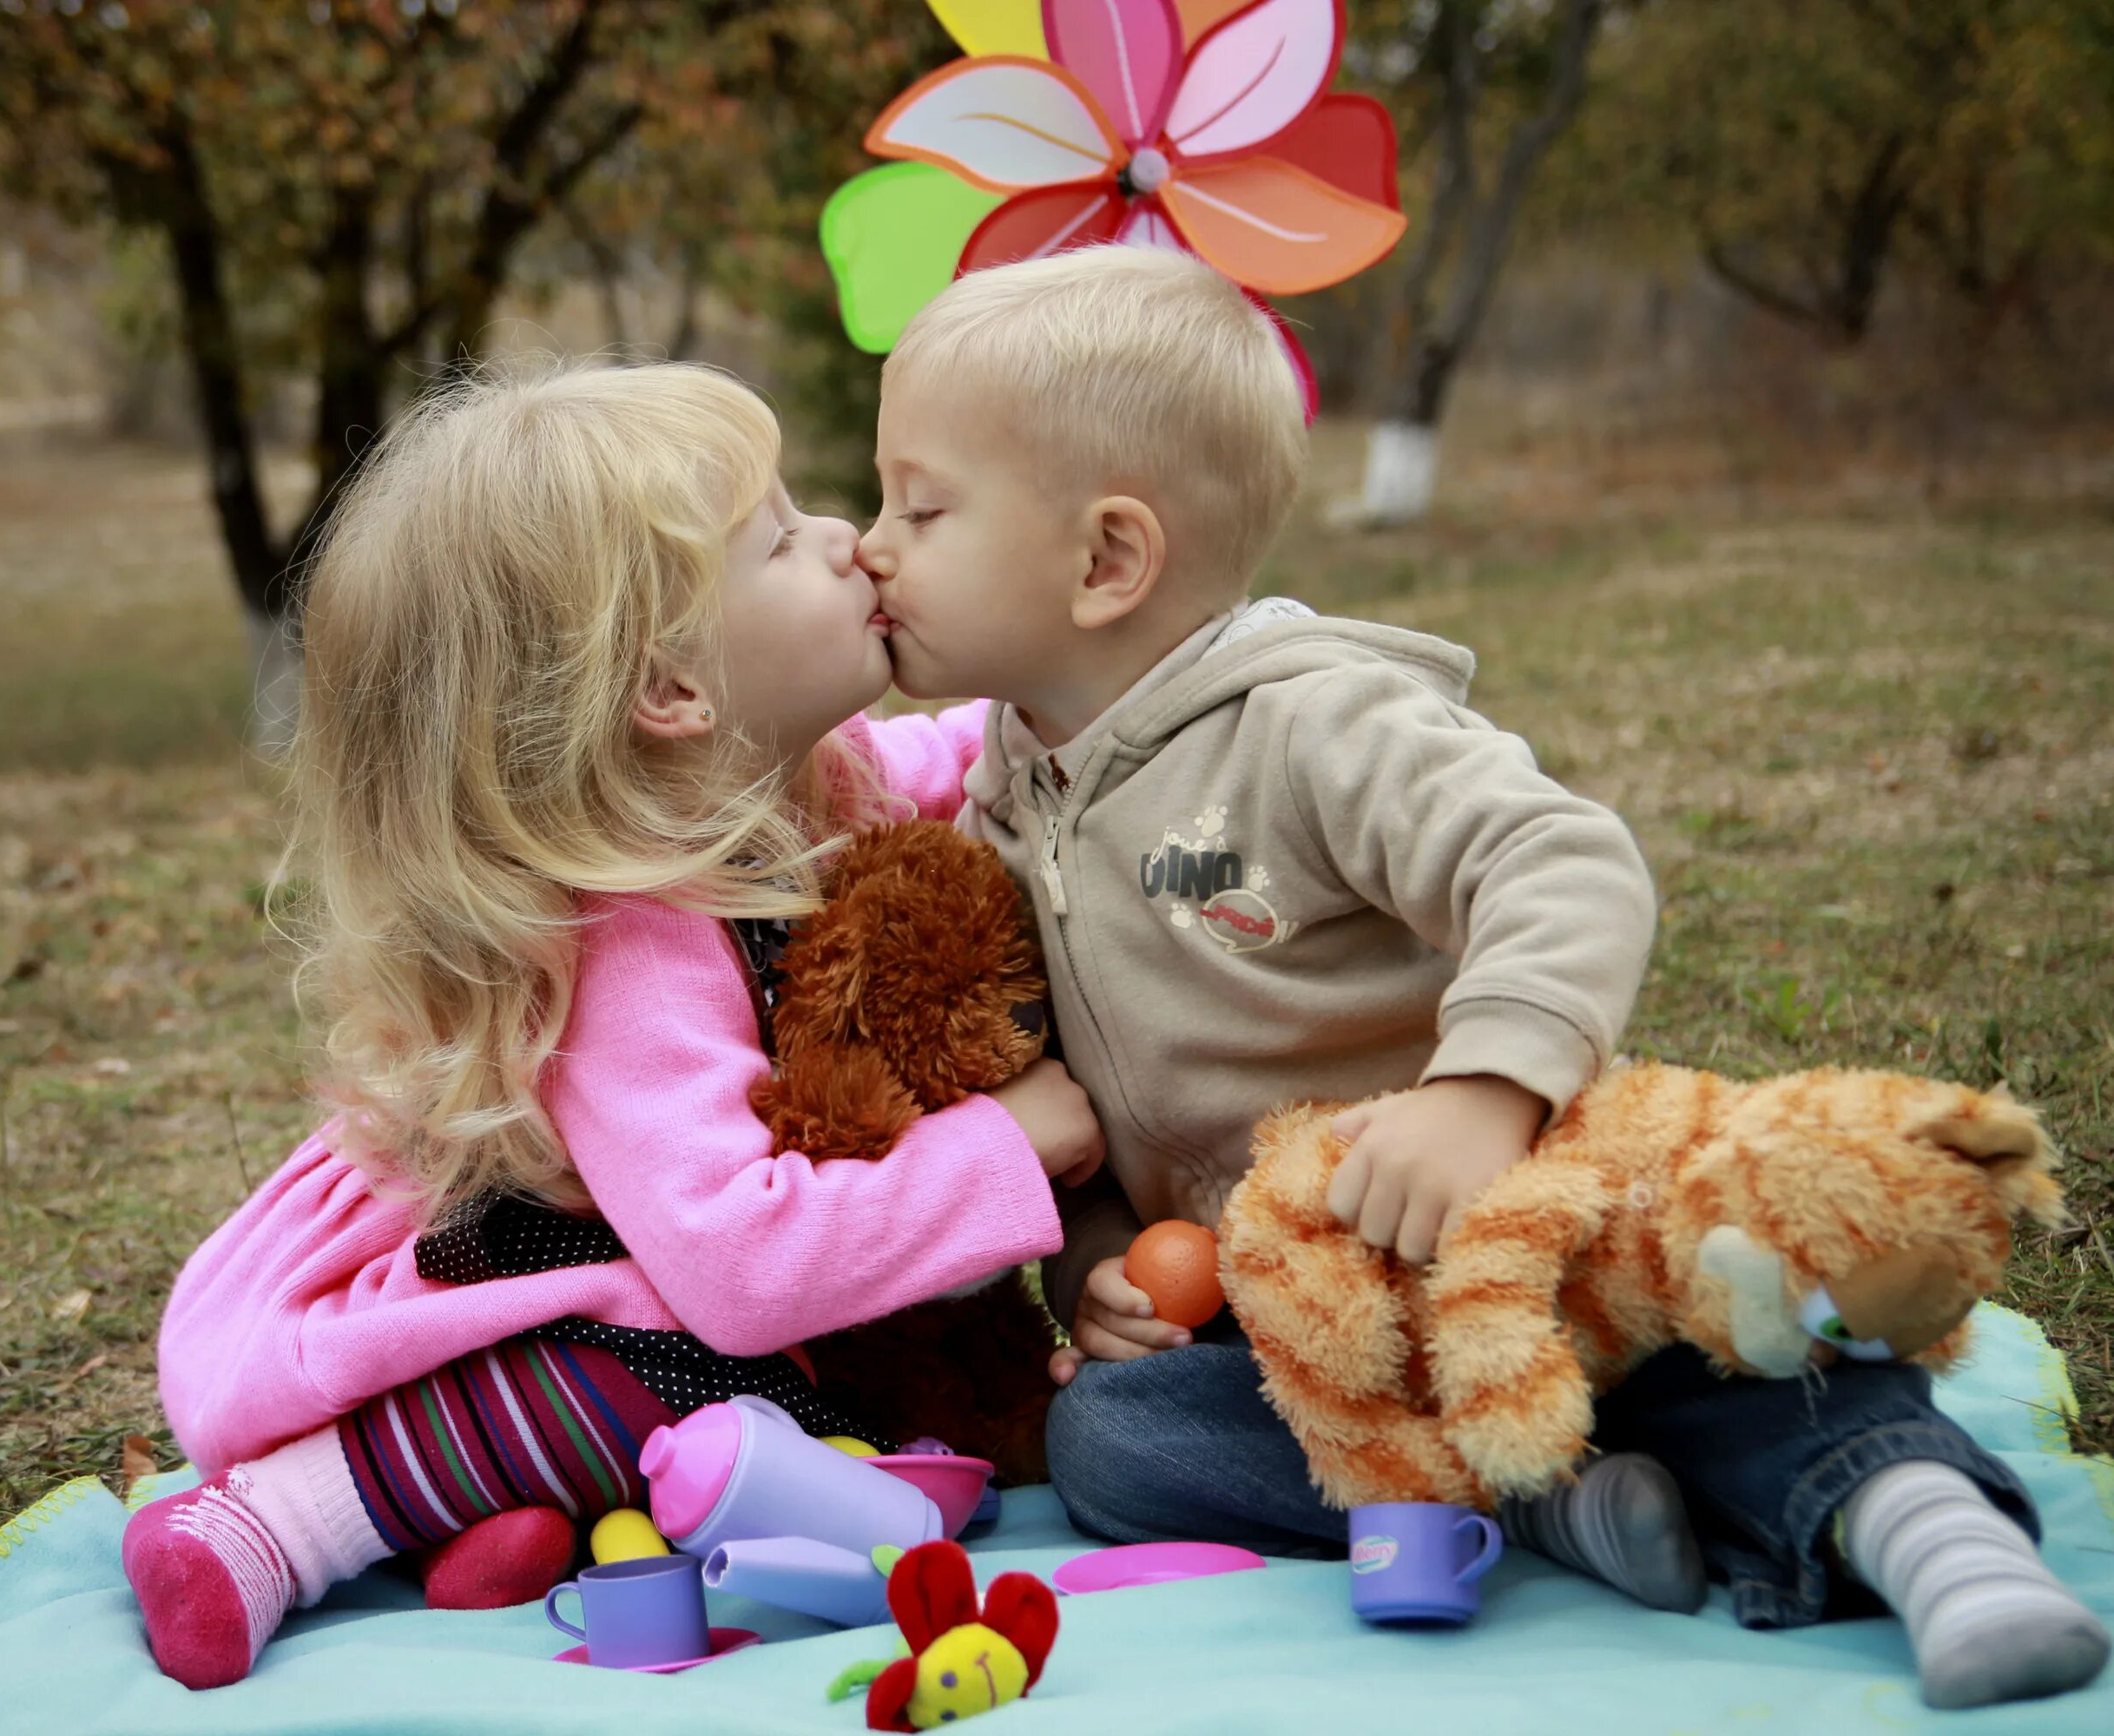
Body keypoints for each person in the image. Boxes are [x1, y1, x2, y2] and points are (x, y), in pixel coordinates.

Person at [853, 243, 2107, 1711]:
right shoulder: (1003, 807)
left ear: (1107, 560)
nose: (873, 543)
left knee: (1716, 1338)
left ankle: (1928, 1529)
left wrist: (1484, 1092)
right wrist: (1098, 1267)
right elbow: (1070, 1095)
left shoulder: (1315, 726)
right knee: (1120, 1442)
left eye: (920, 508)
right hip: (1320, 1325)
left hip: (1522, 1230)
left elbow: (1561, 860)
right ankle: (1546, 1501)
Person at [122, 359, 1103, 1689]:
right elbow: (743, 1267)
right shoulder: (626, 942)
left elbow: (975, 759)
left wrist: (1134, 684)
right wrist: (1003, 1146)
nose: (844, 539)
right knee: (667, 1359)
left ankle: (512, 1523)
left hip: (650, 1265)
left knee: (744, 1388)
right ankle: (287, 1521)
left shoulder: (805, 779)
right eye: (780, 539)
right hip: (513, 1291)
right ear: (672, 692)